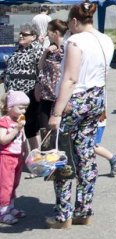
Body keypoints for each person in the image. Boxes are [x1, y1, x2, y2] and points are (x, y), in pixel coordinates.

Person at [46, 0, 115, 229]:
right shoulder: (105, 40)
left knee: (62, 155)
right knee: (85, 154)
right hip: (96, 99)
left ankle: (63, 215)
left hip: (74, 100)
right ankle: (84, 210)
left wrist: (56, 112)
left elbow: (71, 79)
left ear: (74, 21)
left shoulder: (75, 41)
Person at [2, 24, 43, 143]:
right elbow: (9, 69)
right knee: (14, 125)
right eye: (20, 34)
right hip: (13, 94)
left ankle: (36, 155)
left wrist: (38, 87)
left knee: (30, 127)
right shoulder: (18, 49)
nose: (20, 36)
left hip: (28, 93)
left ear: (33, 36)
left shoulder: (37, 50)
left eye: (24, 34)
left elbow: (41, 71)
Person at [33, 20, 68, 153]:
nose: (47, 33)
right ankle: (47, 159)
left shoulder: (66, 48)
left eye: (49, 30)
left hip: (59, 95)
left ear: (56, 32)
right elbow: (40, 67)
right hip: (46, 94)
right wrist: (46, 52)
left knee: (60, 130)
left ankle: (62, 160)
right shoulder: (50, 48)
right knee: (44, 128)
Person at [0, 90, 29, 225]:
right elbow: (3, 140)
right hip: (6, 157)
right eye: (20, 108)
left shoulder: (19, 121)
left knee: (14, 184)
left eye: (25, 108)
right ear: (9, 107)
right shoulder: (4, 121)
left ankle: (10, 207)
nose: (23, 111)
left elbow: (22, 140)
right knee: (5, 185)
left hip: (18, 158)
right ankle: (3, 211)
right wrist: (16, 129)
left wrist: (26, 153)